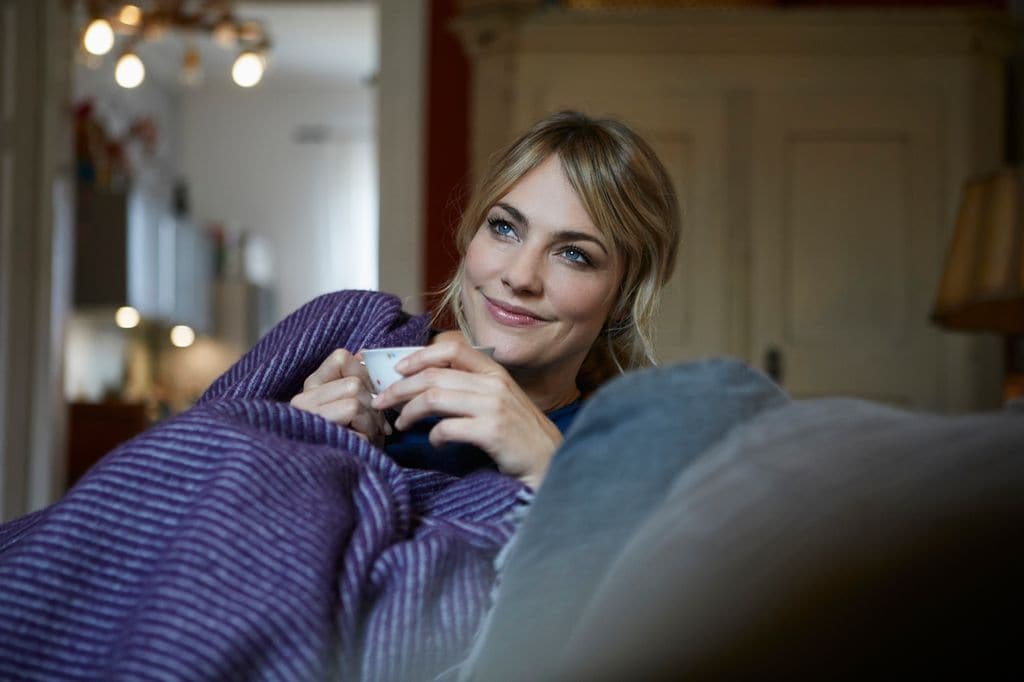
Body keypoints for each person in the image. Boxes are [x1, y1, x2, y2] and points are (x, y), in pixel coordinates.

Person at [290, 110, 681, 489]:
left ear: (624, 297)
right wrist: (293, 455)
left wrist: (552, 473)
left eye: (574, 254)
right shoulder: (359, 359)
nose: (520, 276)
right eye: (505, 227)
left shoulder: (645, 465)